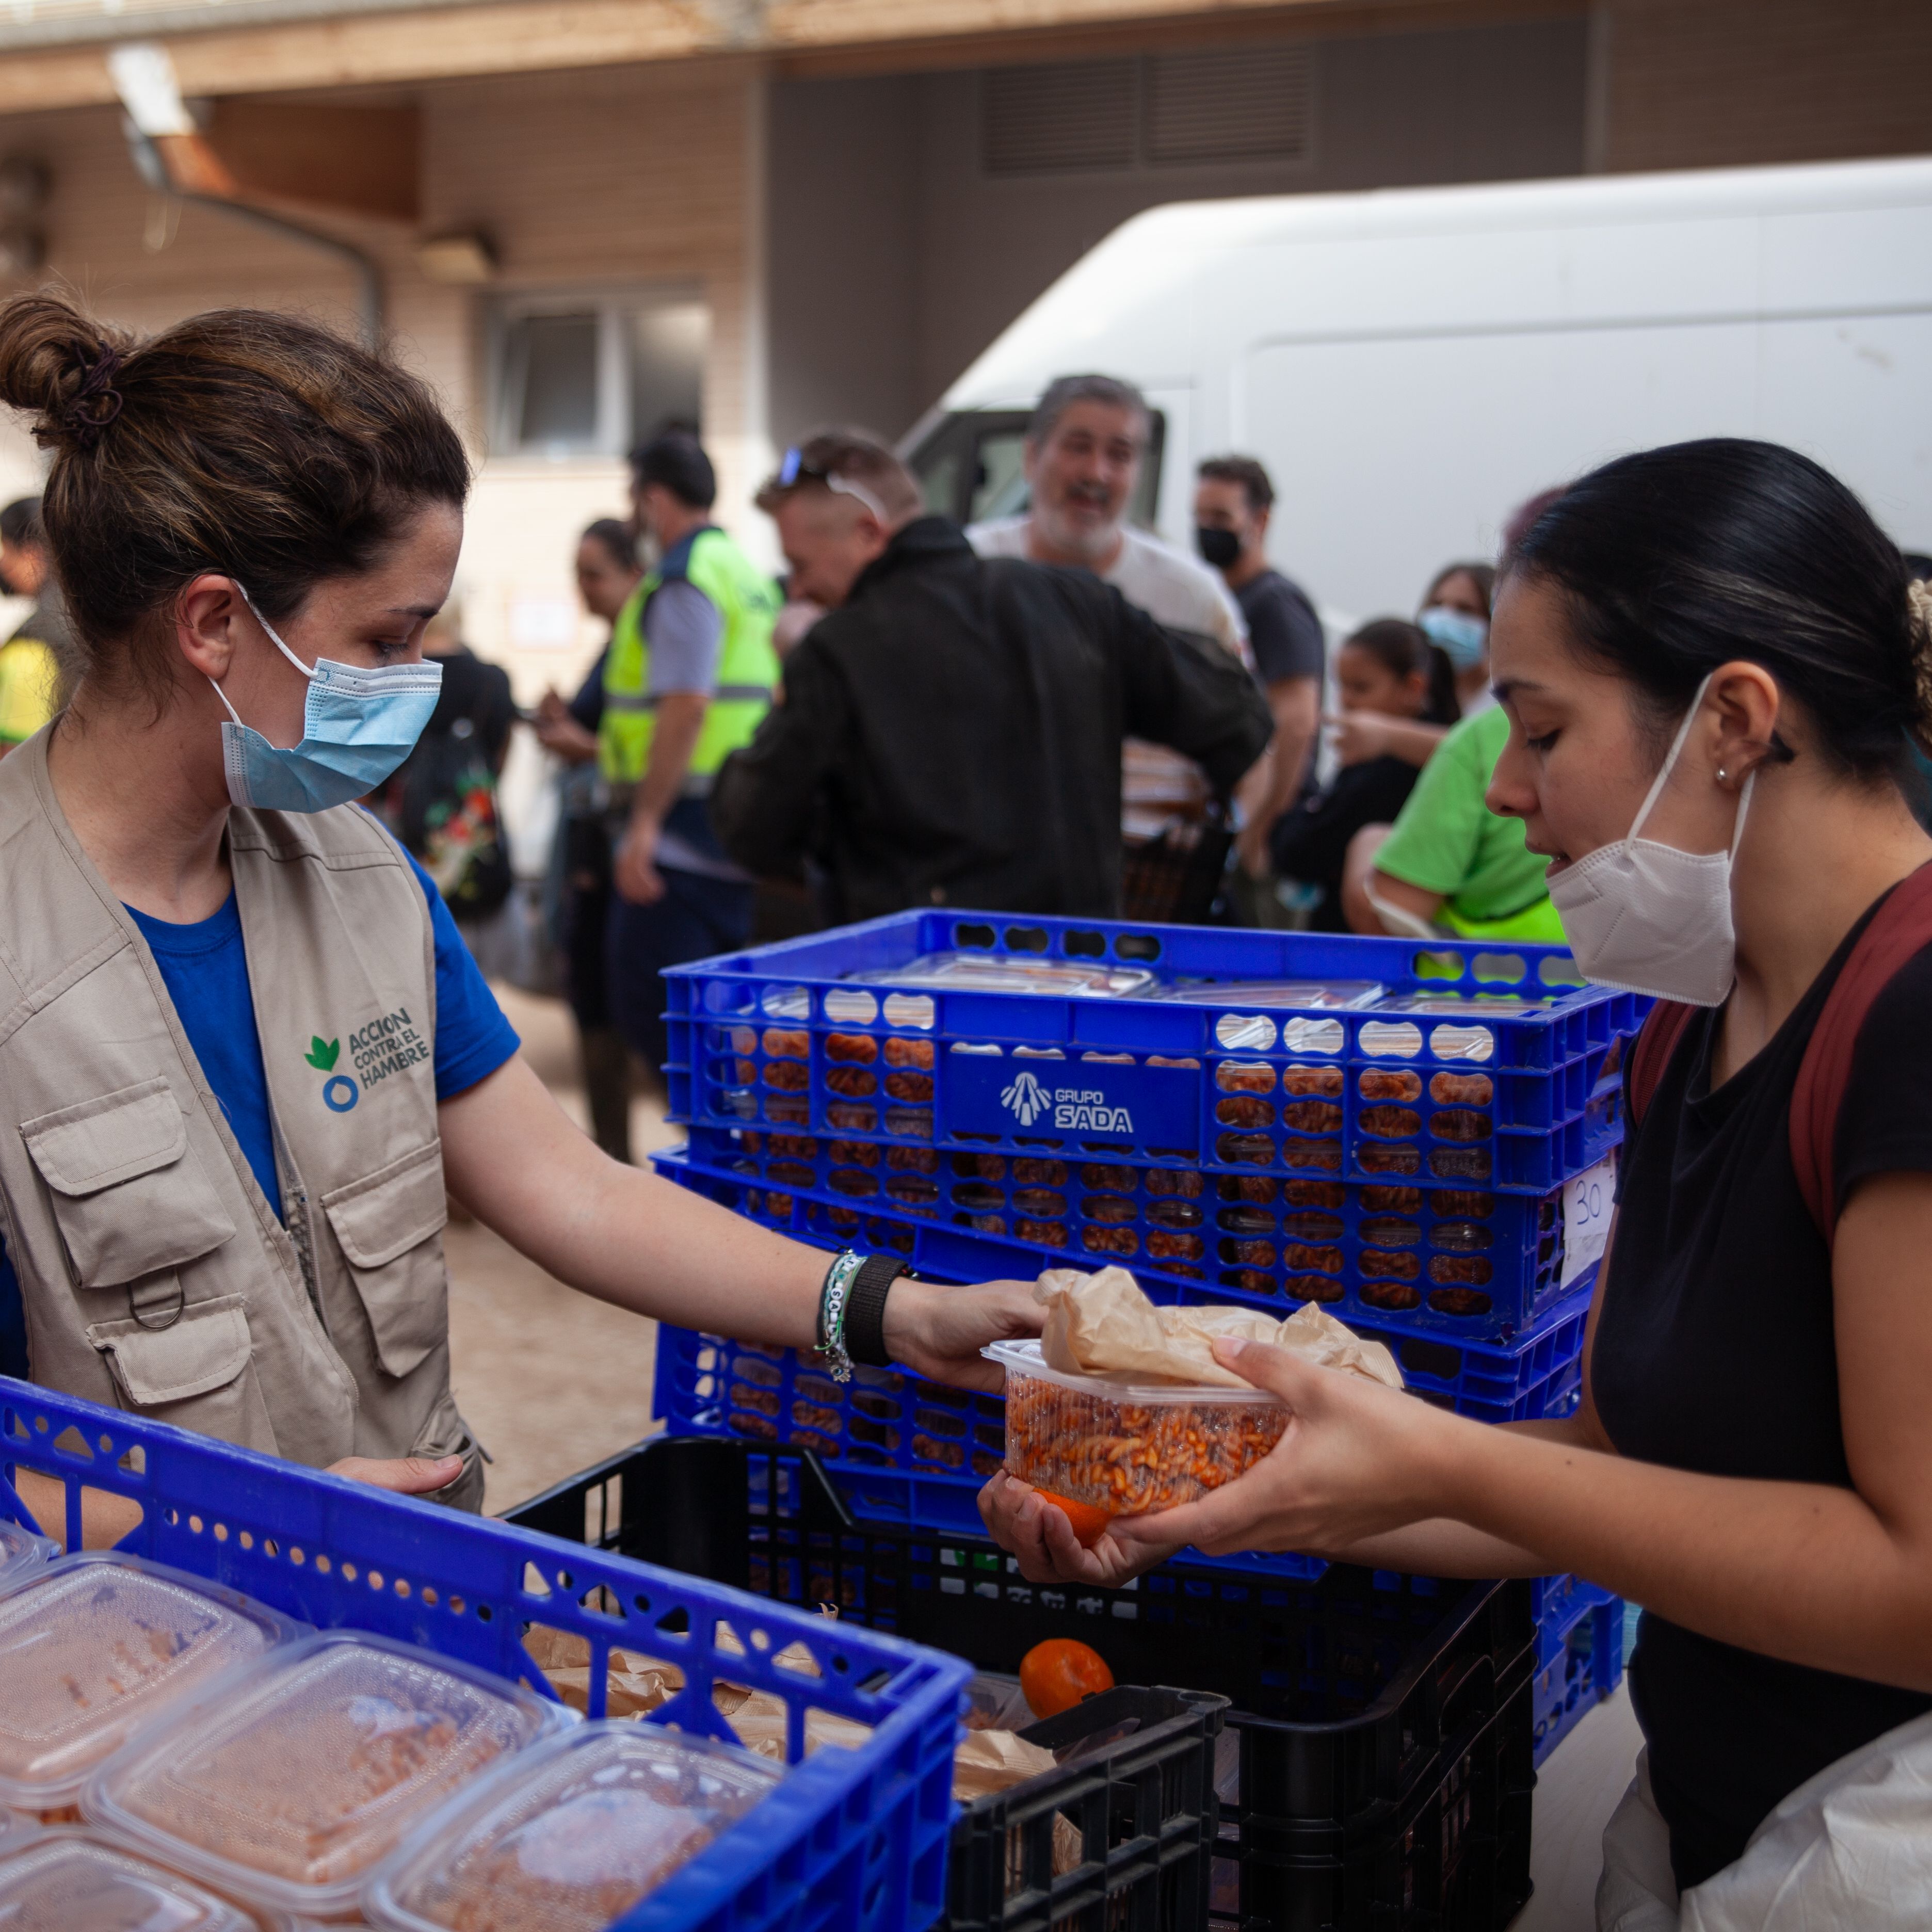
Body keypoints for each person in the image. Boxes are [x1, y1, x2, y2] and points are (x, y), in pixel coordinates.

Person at [983, 436, 1932, 1923]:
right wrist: (1222, 1485)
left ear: (1736, 720)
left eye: (1541, 735)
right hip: (1725, 1812)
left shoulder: (1910, 1021)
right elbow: (1610, 1476)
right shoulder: (1686, 1027)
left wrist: (1436, 1454)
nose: (1503, 795)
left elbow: (1914, 1584)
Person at [0, 292, 1036, 1540]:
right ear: (217, 622)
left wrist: (886, 1310)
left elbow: (570, 1192)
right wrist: (221, 1519)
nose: (410, 687)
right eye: (385, 639)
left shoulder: (361, 880)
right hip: (138, 1679)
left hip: (407, 1630)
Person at [710, 431, 1273, 922]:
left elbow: (752, 828)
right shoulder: (1073, 601)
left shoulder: (835, 652)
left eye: (801, 566)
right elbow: (1237, 716)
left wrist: (791, 674)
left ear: (866, 532)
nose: (799, 590)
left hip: (923, 1006)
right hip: (1082, 987)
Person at [966, 375, 1266, 850]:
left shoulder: (1192, 596)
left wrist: (1223, 846)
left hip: (1143, 889)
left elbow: (1249, 737)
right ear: (1031, 457)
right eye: (1078, 447)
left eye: (1120, 455)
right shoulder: (965, 569)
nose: (1096, 473)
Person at [599, 432, 781, 1077]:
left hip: (683, 834)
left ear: (653, 500)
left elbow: (687, 704)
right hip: (734, 820)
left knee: (665, 1019)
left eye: (633, 500)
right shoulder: (745, 573)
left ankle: (711, 1164)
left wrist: (644, 825)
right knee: (720, 1027)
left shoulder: (684, 578)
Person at [533, 519, 643, 1162]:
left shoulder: (641, 647)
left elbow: (645, 753)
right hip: (593, 850)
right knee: (595, 998)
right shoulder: (616, 648)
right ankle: (614, 1157)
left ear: (633, 574)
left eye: (595, 574)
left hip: (612, 854)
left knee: (612, 1001)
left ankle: (621, 1162)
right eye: (578, 574)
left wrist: (583, 744)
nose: (584, 589)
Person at [1270, 619, 1458, 931]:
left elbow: (1302, 851)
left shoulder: (1387, 771)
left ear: (1413, 688)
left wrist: (1285, 817)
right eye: (1341, 686)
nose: (1346, 700)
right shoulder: (1395, 752)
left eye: (1361, 687)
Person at [1339, 692, 1564, 941]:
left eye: (1543, 739)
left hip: (1470, 980)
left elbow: (1388, 918)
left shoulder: (1479, 740)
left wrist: (1368, 842)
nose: (1498, 795)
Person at [1194, 455, 1324, 877]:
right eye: (1199, 516)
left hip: (1265, 832)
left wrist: (1259, 830)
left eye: (1220, 516)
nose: (1206, 529)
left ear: (1260, 520)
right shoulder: (1223, 599)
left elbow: (1297, 721)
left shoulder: (1273, 603)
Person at [376, 605, 516, 926]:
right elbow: (498, 759)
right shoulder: (493, 679)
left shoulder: (394, 677)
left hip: (406, 838)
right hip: (474, 833)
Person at [1325, 560, 1495, 772]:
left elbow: (1485, 753)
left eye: (1465, 610)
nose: (1445, 618)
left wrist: (1386, 736)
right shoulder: (1426, 694)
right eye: (1437, 605)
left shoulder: (1504, 701)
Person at [0, 496, 67, 753]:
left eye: (6, 551)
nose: (4, 566)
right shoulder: (94, 609)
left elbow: (16, 757)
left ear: (32, 554)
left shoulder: (30, 649)